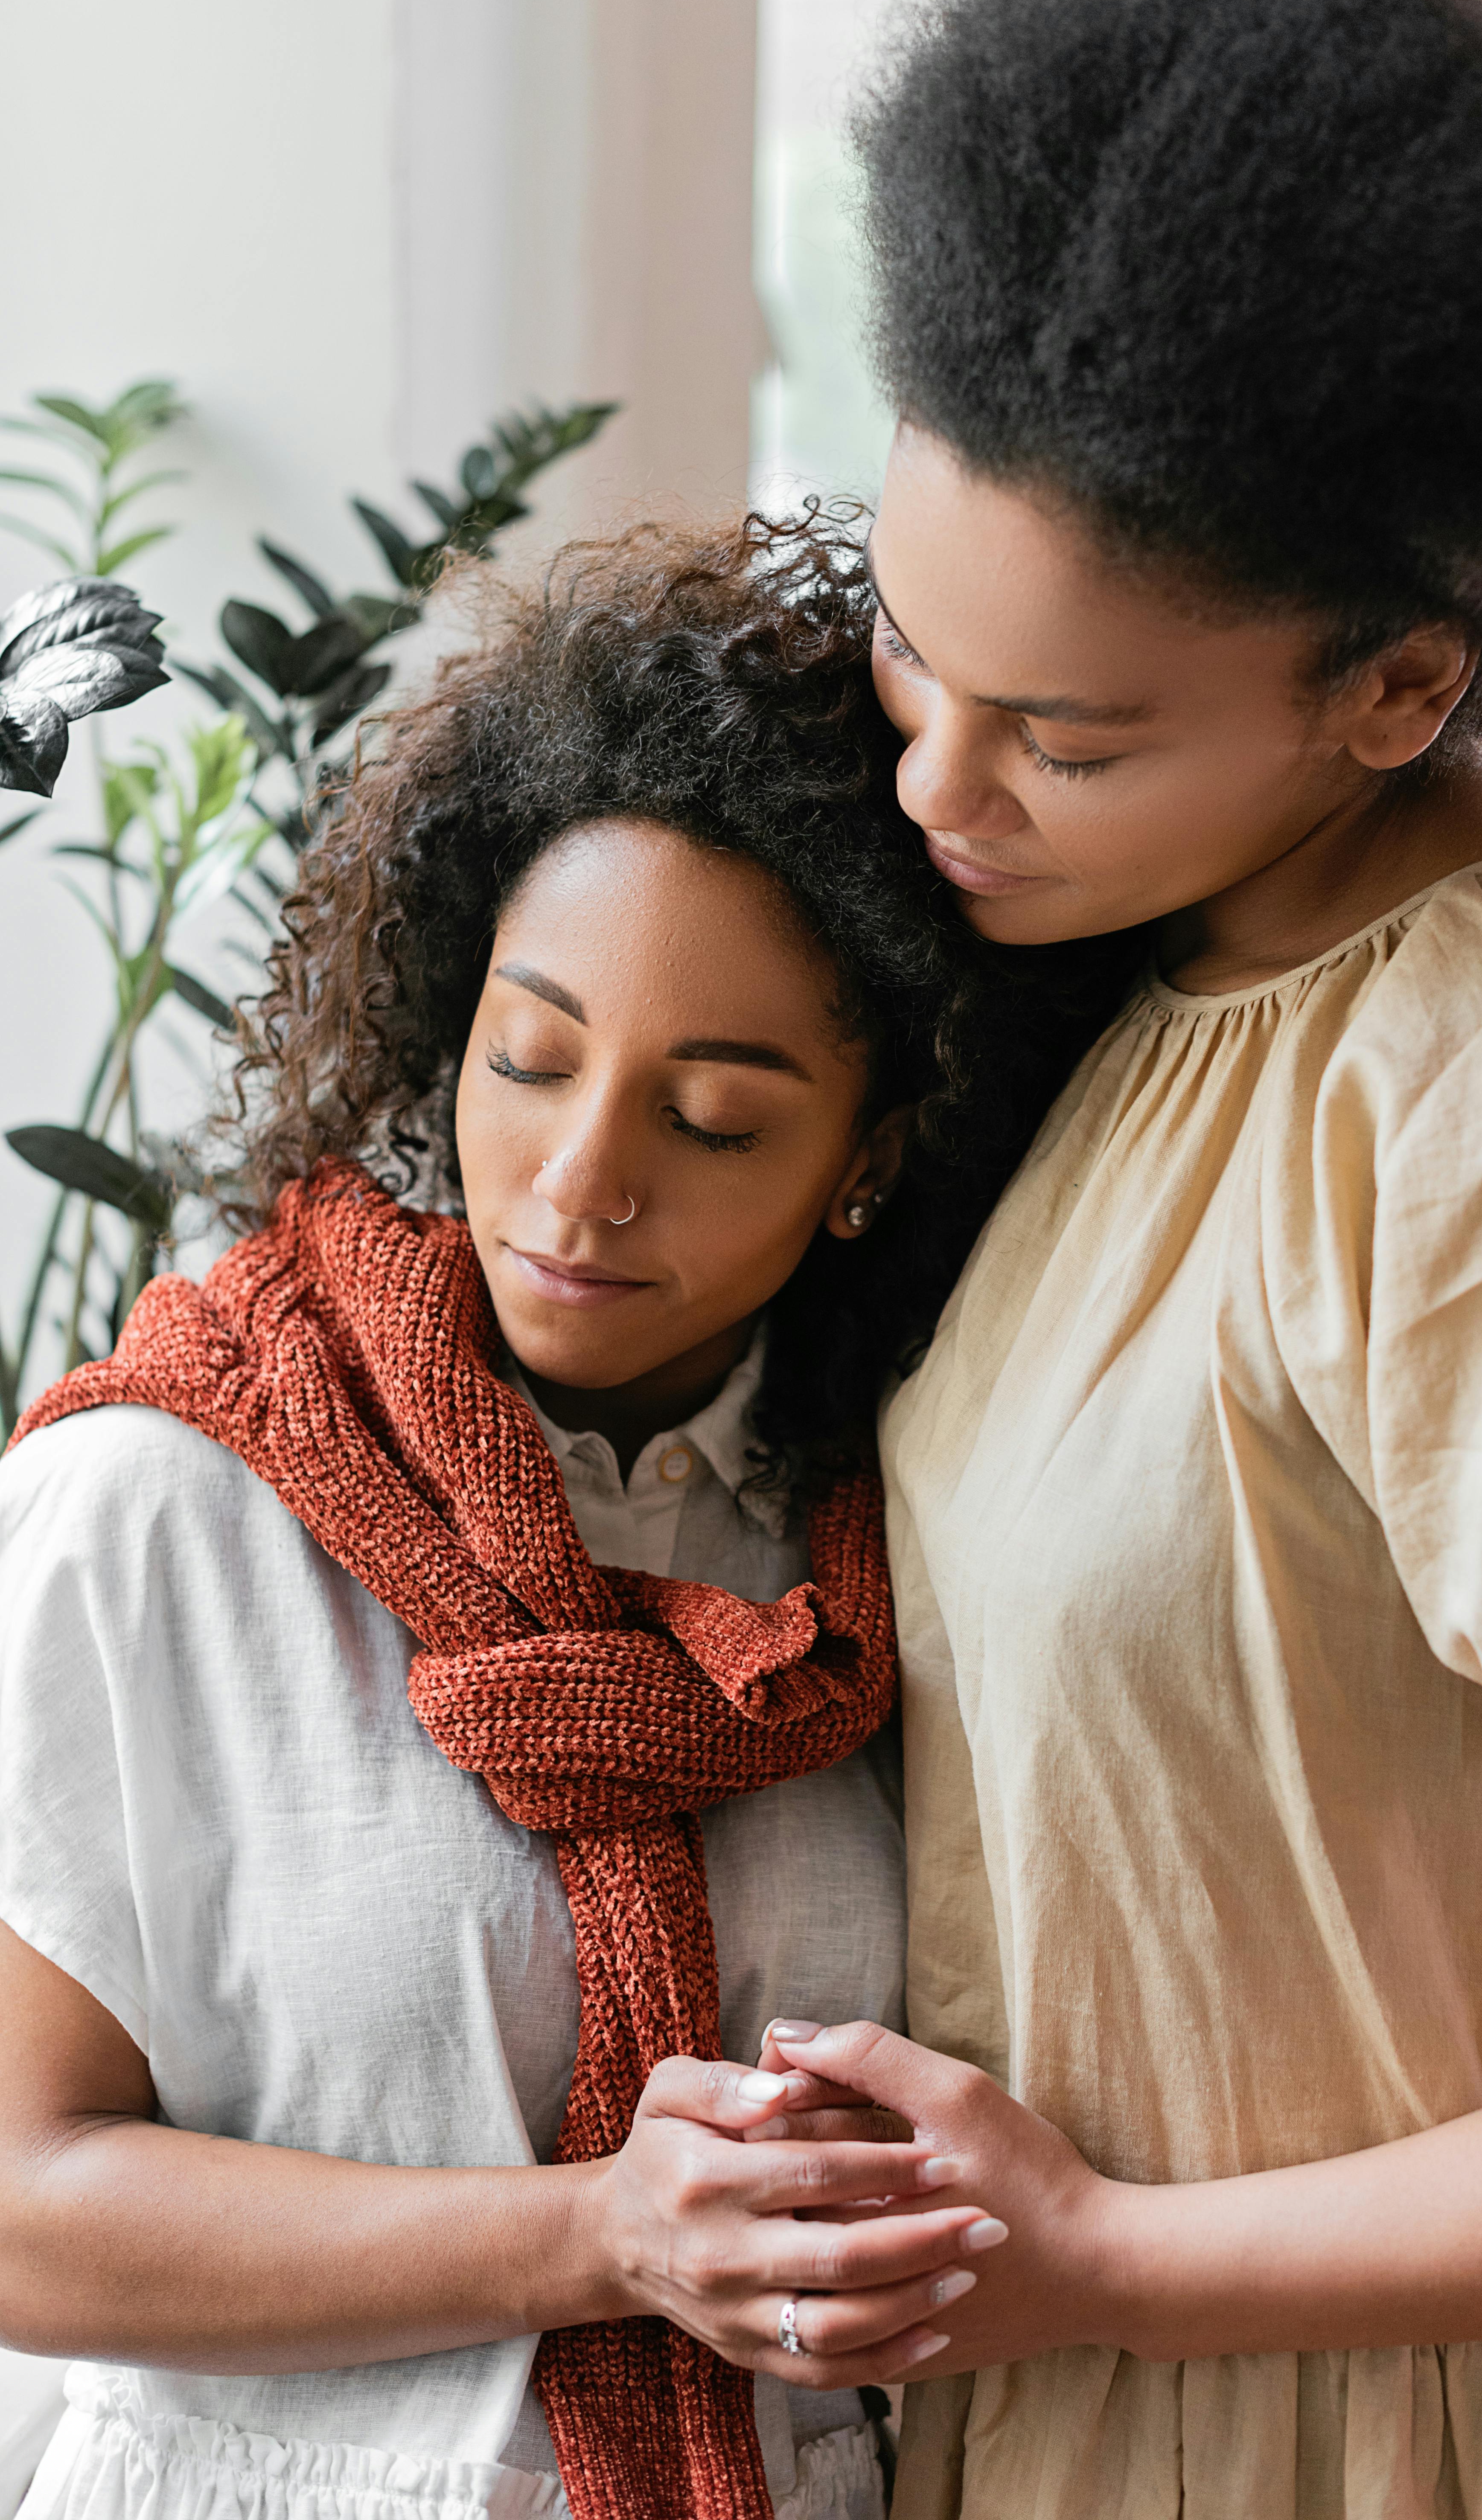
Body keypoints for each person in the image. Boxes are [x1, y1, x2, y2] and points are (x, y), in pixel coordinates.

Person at [730, 0, 1482, 2513]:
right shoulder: (1138, 981)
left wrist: (1115, 2260)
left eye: (1067, 736)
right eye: (911, 656)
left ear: (1396, 689)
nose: (941, 781)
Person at [0, 517, 1132, 2520]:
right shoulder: (160, 1500)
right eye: (527, 1060)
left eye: (714, 1119)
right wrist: (605, 2235)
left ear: (870, 1159)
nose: (580, 1178)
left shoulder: (895, 1548)